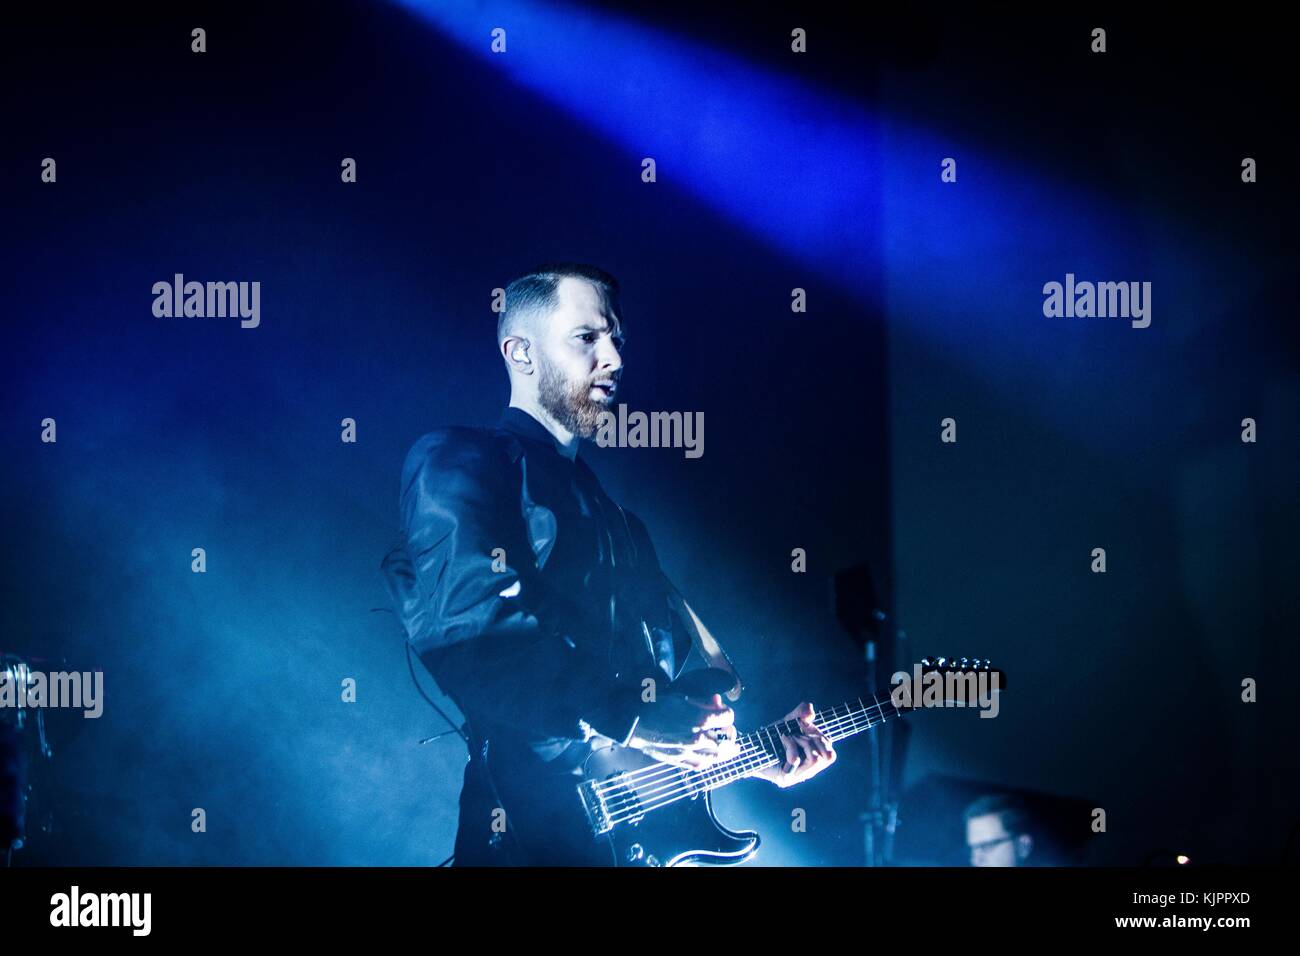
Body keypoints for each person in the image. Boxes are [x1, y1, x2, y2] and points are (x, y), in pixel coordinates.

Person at [383, 263, 835, 864]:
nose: (614, 358)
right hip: (527, 838)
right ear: (520, 352)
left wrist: (739, 756)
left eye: (617, 338)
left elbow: (652, 707)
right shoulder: (459, 460)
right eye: (587, 337)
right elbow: (478, 636)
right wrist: (636, 721)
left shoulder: (623, 526)